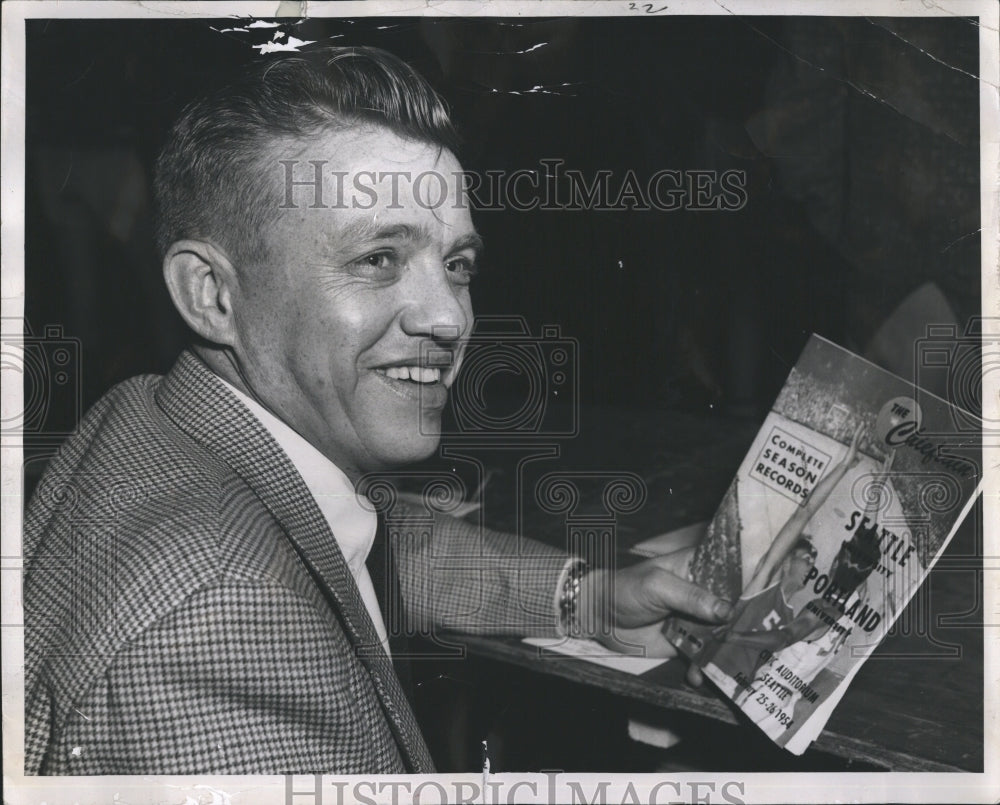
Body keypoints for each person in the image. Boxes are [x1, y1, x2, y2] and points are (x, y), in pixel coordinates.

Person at [22, 46, 730, 775]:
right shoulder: (217, 629)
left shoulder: (150, 417)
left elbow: (362, 540)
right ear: (212, 294)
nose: (449, 319)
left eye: (456, 265)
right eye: (378, 259)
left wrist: (586, 599)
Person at [694, 424, 863, 696]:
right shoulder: (764, 583)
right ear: (785, 561)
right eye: (806, 555)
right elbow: (803, 513)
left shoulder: (793, 615)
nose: (811, 562)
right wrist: (844, 467)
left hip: (734, 692)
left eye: (813, 558)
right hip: (712, 676)